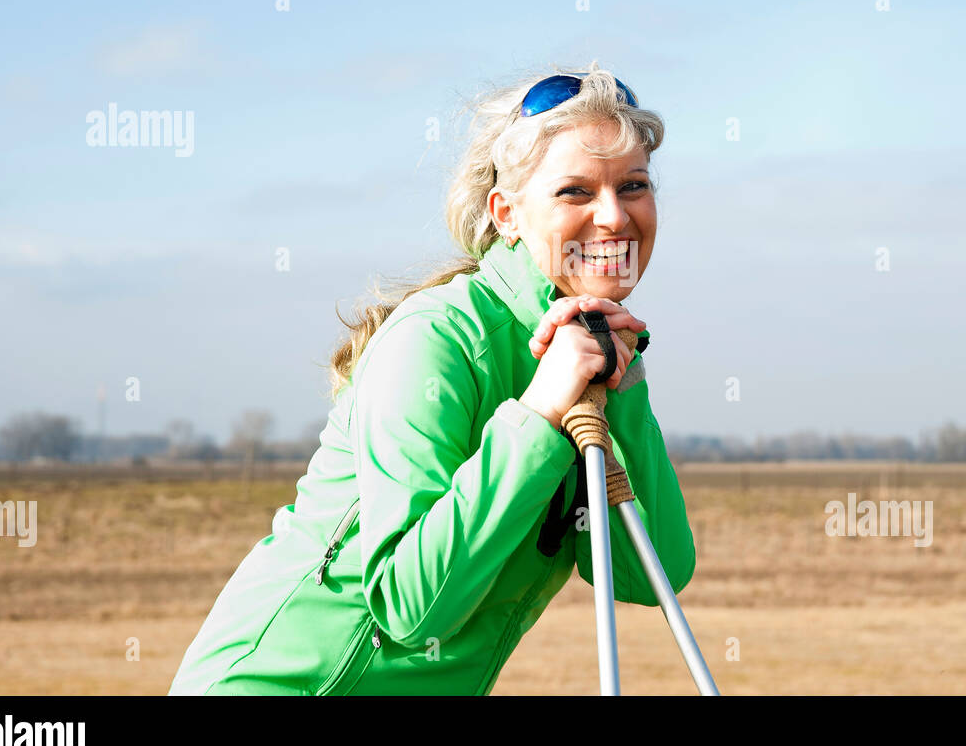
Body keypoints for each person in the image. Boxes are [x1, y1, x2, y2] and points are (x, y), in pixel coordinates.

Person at [168, 62, 696, 695]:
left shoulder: (593, 349)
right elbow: (410, 609)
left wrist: (624, 389)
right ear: (507, 214)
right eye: (575, 192)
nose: (613, 217)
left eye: (633, 186)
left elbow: (651, 576)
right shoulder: (437, 339)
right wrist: (536, 419)